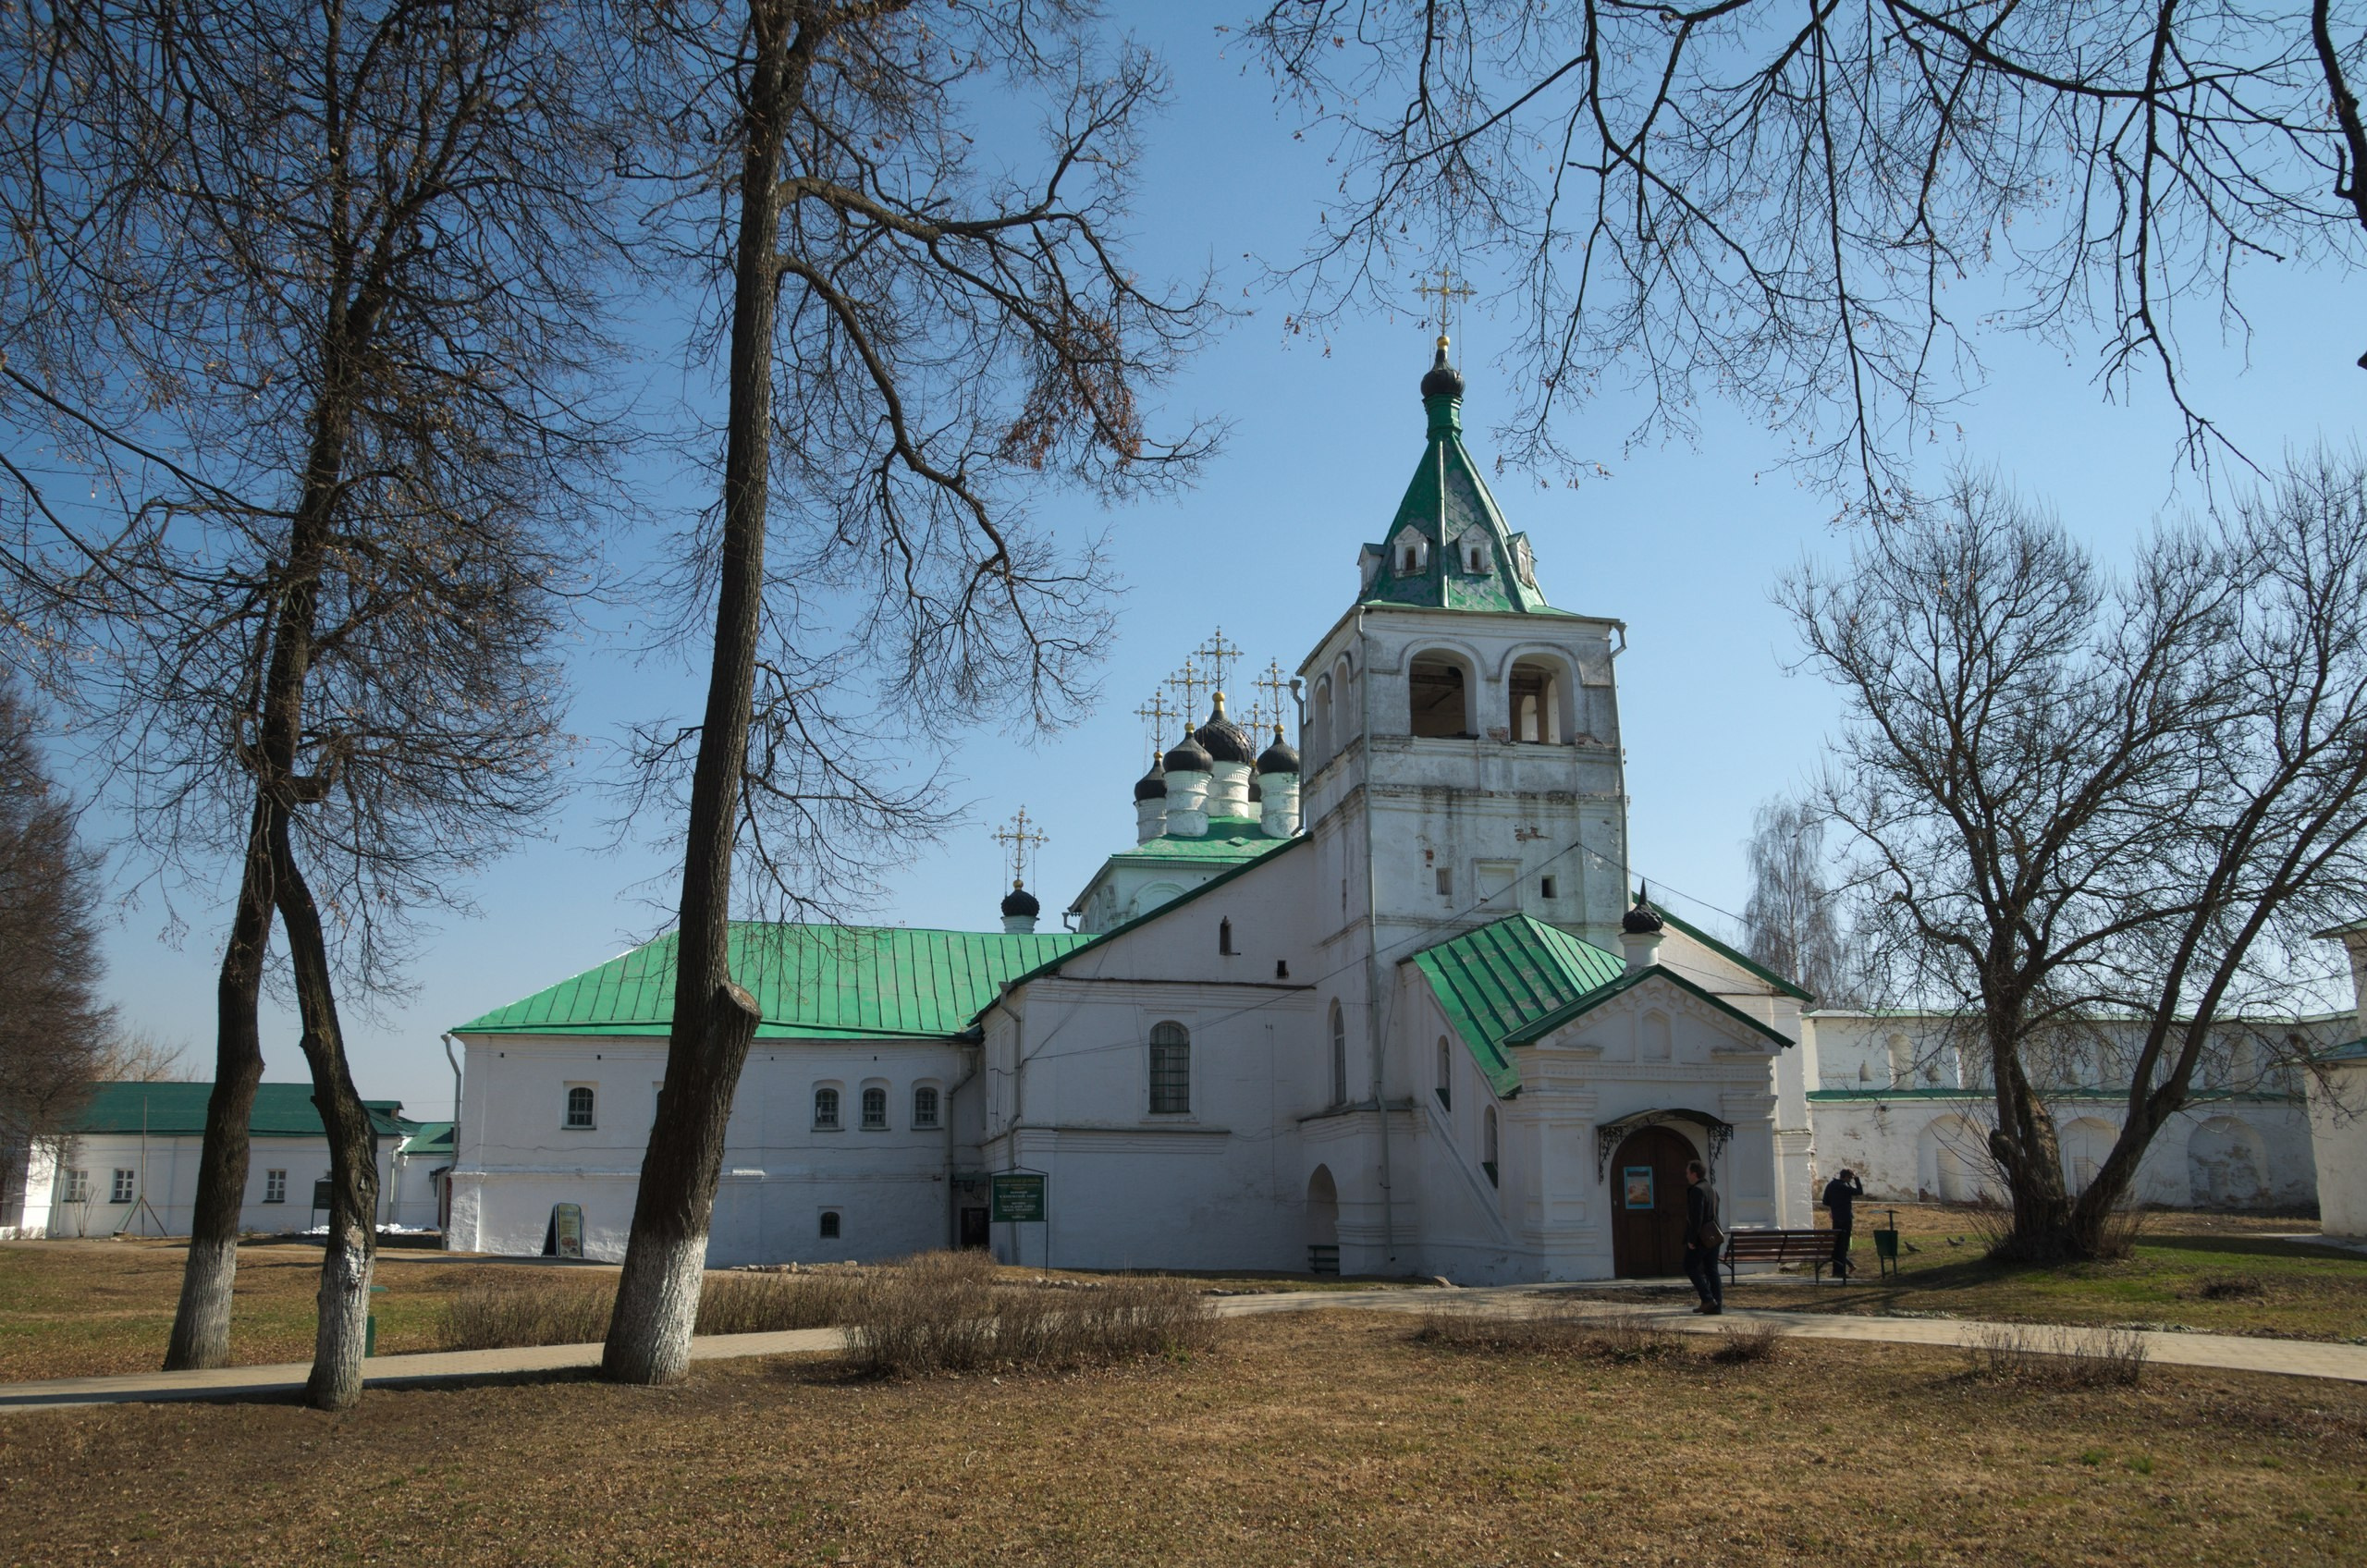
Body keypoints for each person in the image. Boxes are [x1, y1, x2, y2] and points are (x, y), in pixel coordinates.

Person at [1682, 1158, 1723, 1315]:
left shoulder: (1697, 1191)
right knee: (1712, 1270)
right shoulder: (1712, 1190)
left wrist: (1691, 1240)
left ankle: (1707, 1299)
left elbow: (1696, 1218)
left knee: (1689, 1265)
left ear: (1694, 1174)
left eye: (1687, 1173)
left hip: (1701, 1238)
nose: (1686, 1176)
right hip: (1714, 1236)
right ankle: (1716, 1305)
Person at [1821, 1168, 1865, 1279]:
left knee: (1837, 1245)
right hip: (1845, 1218)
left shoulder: (1831, 1185)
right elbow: (1859, 1191)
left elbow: (1825, 1201)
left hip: (1836, 1218)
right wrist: (1857, 1179)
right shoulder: (1845, 1186)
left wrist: (1834, 1207)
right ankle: (1841, 1272)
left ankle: (1836, 1271)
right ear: (1846, 1177)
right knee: (1843, 1245)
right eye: (1850, 1178)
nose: (1850, 1180)